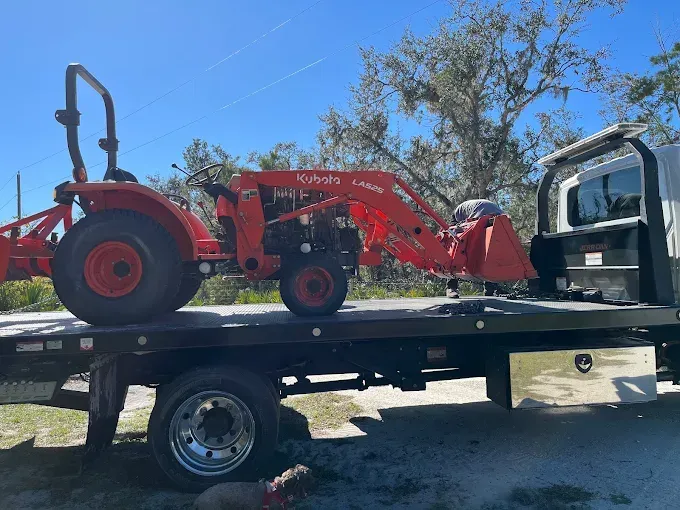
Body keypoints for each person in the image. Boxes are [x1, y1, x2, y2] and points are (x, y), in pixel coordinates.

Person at [446, 199, 504, 299]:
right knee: (457, 249)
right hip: (461, 215)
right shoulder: (483, 217)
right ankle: (451, 287)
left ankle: (491, 287)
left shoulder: (501, 219)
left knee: (489, 251)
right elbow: (473, 227)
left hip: (479, 210)